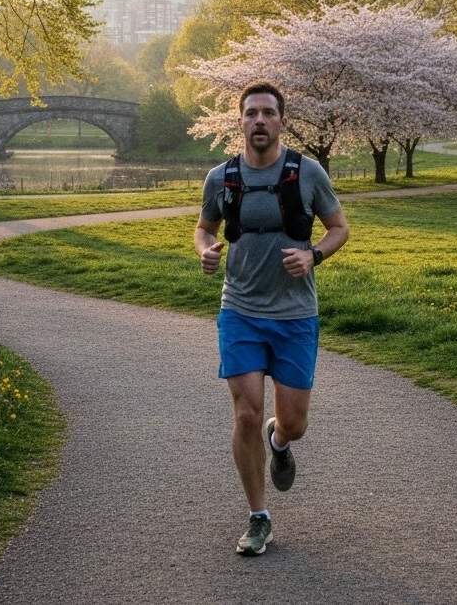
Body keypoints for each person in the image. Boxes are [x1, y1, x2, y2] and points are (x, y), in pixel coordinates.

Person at [193, 81, 350, 557]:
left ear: (282, 121)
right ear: (239, 122)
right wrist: (205, 251)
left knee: (295, 422)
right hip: (239, 309)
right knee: (245, 413)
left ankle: (279, 443)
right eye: (250, 113)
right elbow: (205, 227)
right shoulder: (221, 178)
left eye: (267, 113)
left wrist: (314, 257)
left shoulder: (308, 173)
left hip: (295, 314)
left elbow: (339, 228)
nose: (259, 121)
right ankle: (258, 517)